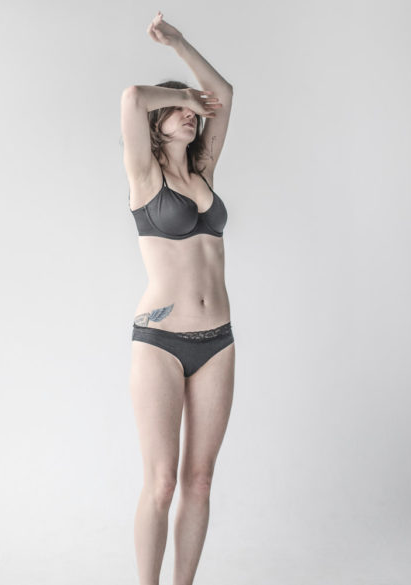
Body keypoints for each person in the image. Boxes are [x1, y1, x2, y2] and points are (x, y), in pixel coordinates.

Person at [121, 11, 235, 585]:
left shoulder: (203, 169)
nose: (192, 113)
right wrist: (180, 92)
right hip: (160, 341)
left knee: (200, 481)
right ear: (157, 123)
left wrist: (181, 43)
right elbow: (131, 96)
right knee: (162, 482)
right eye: (179, 110)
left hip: (218, 343)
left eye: (193, 110)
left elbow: (224, 95)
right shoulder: (146, 177)